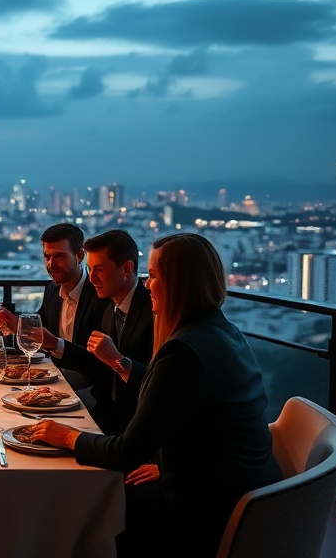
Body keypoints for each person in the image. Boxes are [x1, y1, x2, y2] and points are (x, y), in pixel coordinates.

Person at [31, 233, 281, 557]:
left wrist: (65, 436)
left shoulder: (184, 351)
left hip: (211, 510)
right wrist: (168, 466)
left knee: (95, 497)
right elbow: (204, 422)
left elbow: (125, 452)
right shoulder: (222, 332)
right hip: (246, 492)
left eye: (154, 276)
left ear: (179, 283)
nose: (147, 285)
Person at [0, 222, 111, 390]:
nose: (51, 264)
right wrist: (16, 327)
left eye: (59, 256)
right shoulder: (52, 289)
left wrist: (55, 345)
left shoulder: (99, 294)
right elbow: (41, 328)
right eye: (47, 257)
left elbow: (97, 362)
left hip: (90, 385)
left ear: (79, 256)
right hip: (54, 374)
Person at [81, 229, 154, 435]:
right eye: (89, 270)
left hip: (140, 429)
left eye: (100, 269)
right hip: (108, 418)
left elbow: (163, 387)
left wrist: (117, 360)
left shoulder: (155, 312)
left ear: (127, 268)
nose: (91, 279)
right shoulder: (109, 310)